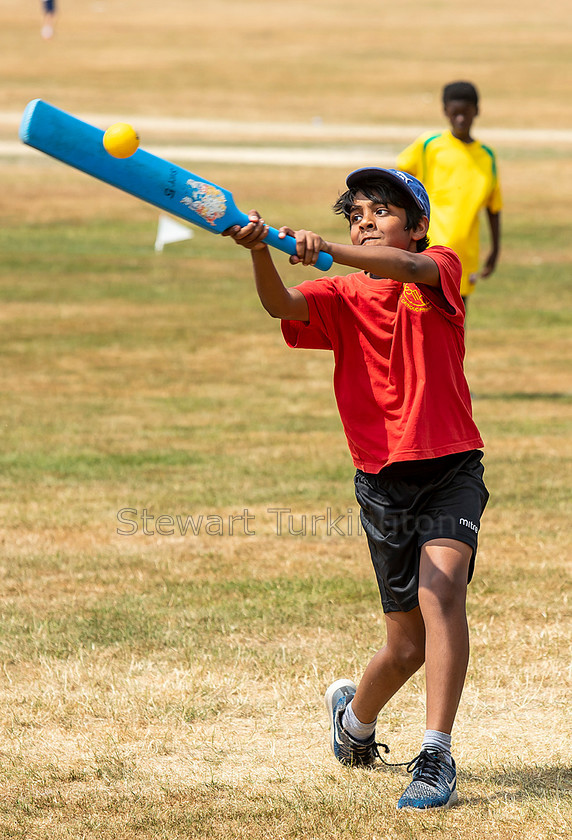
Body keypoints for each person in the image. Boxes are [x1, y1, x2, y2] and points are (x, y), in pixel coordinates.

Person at [223, 167, 489, 810]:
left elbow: (407, 268)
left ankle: (435, 755)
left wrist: (319, 245)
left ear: (417, 228)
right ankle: (354, 723)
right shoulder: (340, 297)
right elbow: (282, 306)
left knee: (442, 591)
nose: (365, 221)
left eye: (381, 211)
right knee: (405, 646)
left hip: (452, 468)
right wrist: (264, 249)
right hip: (382, 483)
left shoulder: (439, 273)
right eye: (356, 214)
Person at [397, 81, 502, 306]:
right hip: (428, 248)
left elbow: (493, 207)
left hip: (465, 253)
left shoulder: (487, 156)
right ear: (446, 112)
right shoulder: (429, 145)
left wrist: (495, 249)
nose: (461, 119)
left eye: (466, 113)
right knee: (422, 311)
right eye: (455, 113)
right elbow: (398, 179)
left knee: (457, 316)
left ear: (477, 110)